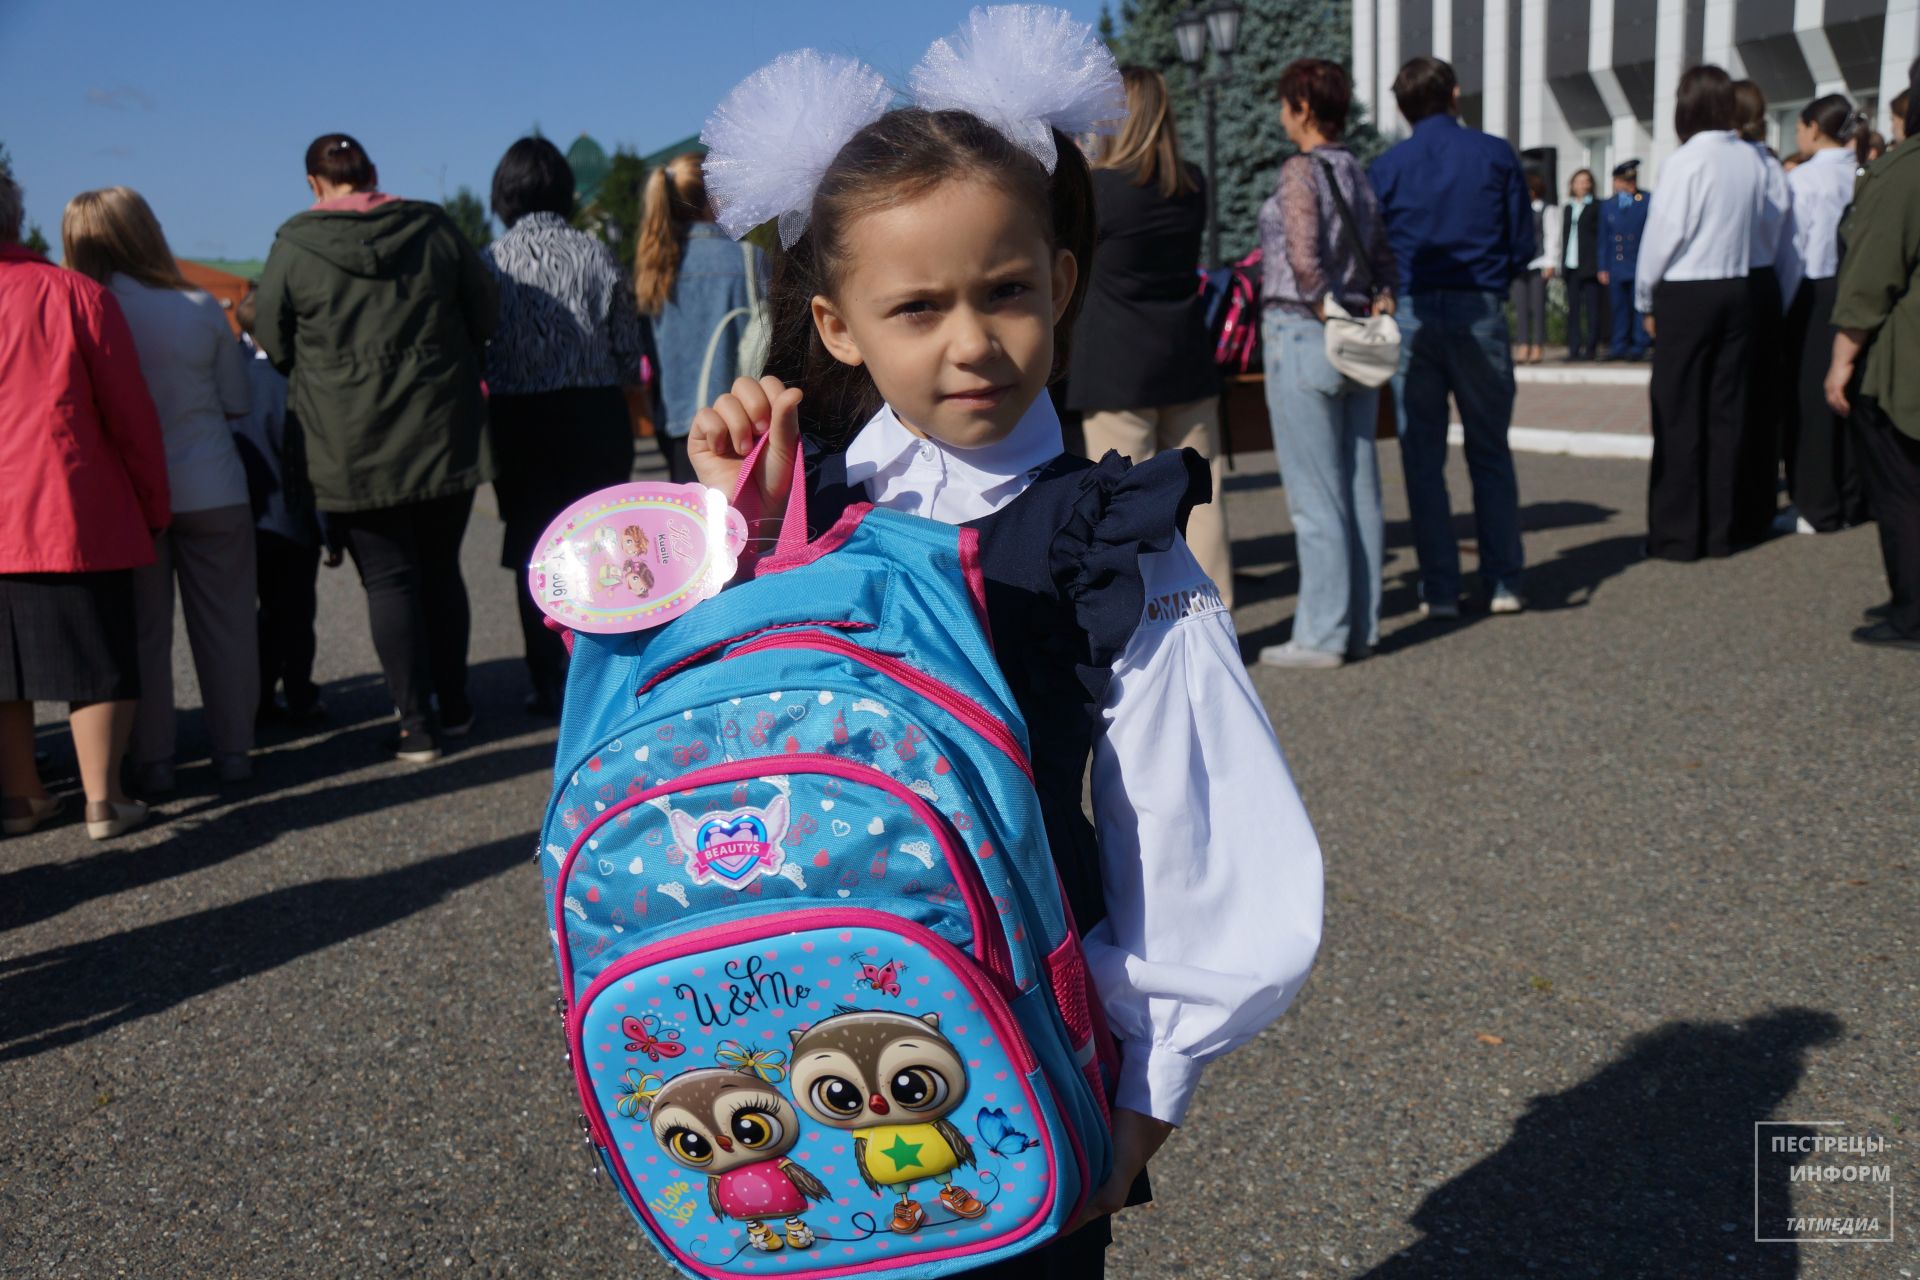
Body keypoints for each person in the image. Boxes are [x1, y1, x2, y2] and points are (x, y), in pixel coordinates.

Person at [689, 16, 1323, 1275]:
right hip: (778, 1046)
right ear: (836, 325)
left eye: (1007, 290)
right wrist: (723, 535)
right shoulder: (799, 501)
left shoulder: (1102, 542)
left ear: (1063, 281)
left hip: (1021, 1071)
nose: (971, 340)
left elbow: (1196, 829)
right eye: (915, 306)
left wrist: (1137, 1113)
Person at [256, 134, 498, 764]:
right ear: (373, 174)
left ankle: (415, 726)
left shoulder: (294, 246)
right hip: (441, 428)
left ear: (314, 183)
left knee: (389, 582)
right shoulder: (434, 228)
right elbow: (487, 312)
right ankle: (458, 704)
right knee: (441, 570)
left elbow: (274, 344)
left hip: (349, 441)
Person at [62, 187, 258, 793]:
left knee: (144, 632)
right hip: (213, 484)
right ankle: (234, 753)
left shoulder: (84, 308)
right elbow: (238, 402)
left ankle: (153, 761)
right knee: (227, 626)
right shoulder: (199, 305)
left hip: (128, 497)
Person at [0, 169, 164, 840]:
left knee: (3, 670)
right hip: (67, 507)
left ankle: (21, 798)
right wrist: (154, 504)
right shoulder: (74, 295)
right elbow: (130, 416)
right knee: (98, 657)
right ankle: (103, 798)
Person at [483, 137, 647, 716]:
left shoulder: (491, 260)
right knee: (604, 542)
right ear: (564, 190)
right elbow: (628, 349)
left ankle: (545, 678)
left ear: (503, 192)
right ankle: (607, 671)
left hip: (520, 418)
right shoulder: (596, 253)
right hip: (593, 413)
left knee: (535, 547)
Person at [1368, 55, 1533, 617]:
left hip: (1413, 308)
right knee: (1489, 449)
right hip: (1479, 305)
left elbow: (1374, 247)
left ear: (1401, 106)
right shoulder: (1493, 153)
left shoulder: (1388, 166)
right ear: (1455, 94)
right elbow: (1522, 242)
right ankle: (1504, 579)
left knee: (1423, 456)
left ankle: (1440, 587)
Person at [1067, 65, 1231, 603]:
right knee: (1203, 502)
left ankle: (1130, 625)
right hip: (1184, 359)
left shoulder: (1101, 190)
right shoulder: (1192, 185)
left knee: (1120, 507)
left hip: (1118, 369)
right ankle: (1216, 618)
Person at [1254, 57, 1397, 668]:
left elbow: (1304, 258)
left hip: (1303, 330)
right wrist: (1371, 299)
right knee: (1359, 486)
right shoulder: (1354, 169)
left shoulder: (1301, 169)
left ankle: (1322, 635)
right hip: (1356, 337)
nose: (1282, 116)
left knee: (1315, 496)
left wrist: (1320, 307)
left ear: (1304, 108)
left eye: (1287, 104)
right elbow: (1383, 254)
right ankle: (1360, 626)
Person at [1635, 65, 1771, 562]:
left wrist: (1645, 297)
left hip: (1688, 290)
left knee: (1677, 414)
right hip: (1738, 285)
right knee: (1724, 412)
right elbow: (1768, 227)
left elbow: (1664, 234)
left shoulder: (1688, 160)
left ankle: (1677, 534)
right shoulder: (1751, 159)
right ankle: (1719, 530)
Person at [1827, 76, 1920, 649]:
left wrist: (1841, 361)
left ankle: (1912, 611)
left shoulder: (1903, 170)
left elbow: (1871, 278)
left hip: (1905, 361)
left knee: (1902, 488)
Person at [634, 152, 770, 485]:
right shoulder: (749, 259)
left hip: (675, 425)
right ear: (712, 198)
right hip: (736, 421)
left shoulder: (654, 267)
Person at [230, 287, 329, 723]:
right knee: (295, 613)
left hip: (241, 513)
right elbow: (316, 461)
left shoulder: (227, 376)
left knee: (253, 614)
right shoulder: (296, 382)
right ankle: (299, 692)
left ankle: (256, 696)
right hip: (292, 520)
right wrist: (330, 531)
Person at [1776, 95, 1873, 536]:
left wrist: (1780, 306)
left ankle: (1817, 505)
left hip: (1815, 293)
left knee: (1810, 401)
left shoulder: (1805, 179)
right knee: (1850, 395)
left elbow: (1794, 251)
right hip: (1858, 290)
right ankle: (1853, 497)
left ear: (1814, 127)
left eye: (1799, 128)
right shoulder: (1864, 173)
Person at [1731, 80, 1795, 546]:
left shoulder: (1737, 162)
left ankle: (1736, 500)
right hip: (1765, 281)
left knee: (1735, 398)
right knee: (1761, 402)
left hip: (1739, 278)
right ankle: (1757, 503)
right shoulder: (1770, 164)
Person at [1597, 159, 1653, 361]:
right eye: (1623, 180)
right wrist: (1602, 266)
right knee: (1618, 307)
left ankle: (1640, 345)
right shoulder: (1608, 205)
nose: (1628, 184)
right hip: (1616, 263)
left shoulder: (1646, 200)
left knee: (1639, 306)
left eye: (1631, 180)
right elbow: (1604, 238)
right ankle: (1618, 345)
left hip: (1638, 261)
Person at [1512, 170, 1558, 364]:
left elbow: (1551, 236)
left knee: (1538, 307)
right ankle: (1523, 344)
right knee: (1521, 307)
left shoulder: (1546, 209)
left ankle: (1538, 345)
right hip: (1520, 263)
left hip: (1539, 262)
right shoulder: (1517, 209)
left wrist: (1551, 262)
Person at [1559, 168, 1603, 361]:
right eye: (1578, 181)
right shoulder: (1568, 207)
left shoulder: (1596, 206)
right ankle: (1573, 348)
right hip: (1571, 264)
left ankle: (1591, 348)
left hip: (1589, 264)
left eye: (1585, 181)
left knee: (1592, 309)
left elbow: (1600, 237)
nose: (1582, 185)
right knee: (1573, 310)